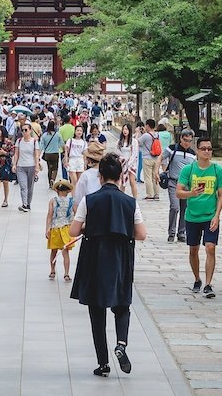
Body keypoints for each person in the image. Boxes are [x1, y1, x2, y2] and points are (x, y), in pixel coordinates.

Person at [69, 153, 147, 377]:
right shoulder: (130, 202)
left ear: (100, 176)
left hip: (94, 257)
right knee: (122, 305)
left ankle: (103, 363)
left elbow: (74, 230)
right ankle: (121, 344)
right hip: (120, 257)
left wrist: (91, 228)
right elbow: (141, 234)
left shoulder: (90, 200)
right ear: (121, 175)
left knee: (97, 310)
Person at [176, 136, 222, 298]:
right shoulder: (188, 170)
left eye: (209, 149)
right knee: (193, 249)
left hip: (210, 215)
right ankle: (197, 278)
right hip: (192, 216)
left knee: (210, 248)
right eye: (203, 148)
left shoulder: (217, 170)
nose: (206, 151)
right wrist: (191, 193)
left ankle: (208, 284)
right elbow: (178, 192)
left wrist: (217, 215)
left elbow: (221, 195)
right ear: (197, 150)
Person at [160, 128, 198, 242]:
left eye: (189, 141)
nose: (187, 143)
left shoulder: (193, 154)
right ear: (181, 138)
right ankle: (171, 232)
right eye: (185, 140)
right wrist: (157, 171)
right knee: (175, 207)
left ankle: (181, 232)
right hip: (173, 182)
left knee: (184, 209)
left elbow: (195, 169)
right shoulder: (172, 149)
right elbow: (161, 157)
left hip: (187, 185)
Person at [46, 179, 76, 281]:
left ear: (57, 191)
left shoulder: (53, 201)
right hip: (67, 229)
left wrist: (47, 229)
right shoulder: (72, 202)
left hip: (55, 228)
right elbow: (76, 215)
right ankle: (66, 273)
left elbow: (49, 215)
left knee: (53, 251)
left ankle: (52, 271)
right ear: (68, 191)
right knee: (65, 252)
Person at [12, 123, 40, 212]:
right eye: (22, 130)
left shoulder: (34, 141)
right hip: (20, 166)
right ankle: (24, 204)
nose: (24, 132)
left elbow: (36, 155)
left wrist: (37, 166)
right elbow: (16, 154)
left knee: (30, 187)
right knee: (23, 186)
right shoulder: (19, 141)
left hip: (31, 166)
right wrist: (14, 164)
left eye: (26, 130)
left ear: (30, 130)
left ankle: (28, 204)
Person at [138, 119, 161, 200]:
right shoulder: (157, 135)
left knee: (148, 177)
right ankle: (157, 194)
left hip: (147, 158)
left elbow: (138, 142)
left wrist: (139, 133)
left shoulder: (145, 135)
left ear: (147, 125)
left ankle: (150, 194)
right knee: (155, 176)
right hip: (156, 158)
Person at [39, 122, 64, 189]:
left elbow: (41, 146)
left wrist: (38, 155)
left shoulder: (44, 135)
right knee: (55, 168)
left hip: (47, 154)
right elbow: (62, 144)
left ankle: (49, 183)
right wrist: (63, 150)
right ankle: (53, 179)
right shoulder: (57, 134)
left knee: (49, 168)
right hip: (55, 153)